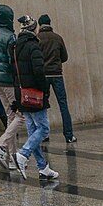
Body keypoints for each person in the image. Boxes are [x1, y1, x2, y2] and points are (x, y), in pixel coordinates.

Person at [8, 15, 59, 181]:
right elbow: (39, 72)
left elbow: (13, 72)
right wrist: (45, 90)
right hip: (35, 94)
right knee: (43, 129)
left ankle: (43, 167)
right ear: (33, 28)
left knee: (32, 131)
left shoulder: (14, 46)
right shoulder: (33, 46)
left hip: (22, 93)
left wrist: (17, 95)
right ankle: (23, 154)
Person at [0, 3, 26, 170]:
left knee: (11, 116)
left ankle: (12, 158)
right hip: (8, 81)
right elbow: (13, 61)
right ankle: (1, 144)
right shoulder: (10, 36)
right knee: (21, 115)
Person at [33, 15, 74, 144]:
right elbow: (65, 57)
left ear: (40, 25)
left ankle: (44, 134)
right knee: (63, 104)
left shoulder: (37, 38)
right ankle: (69, 135)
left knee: (42, 105)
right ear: (50, 23)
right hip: (57, 75)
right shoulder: (58, 38)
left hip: (43, 76)